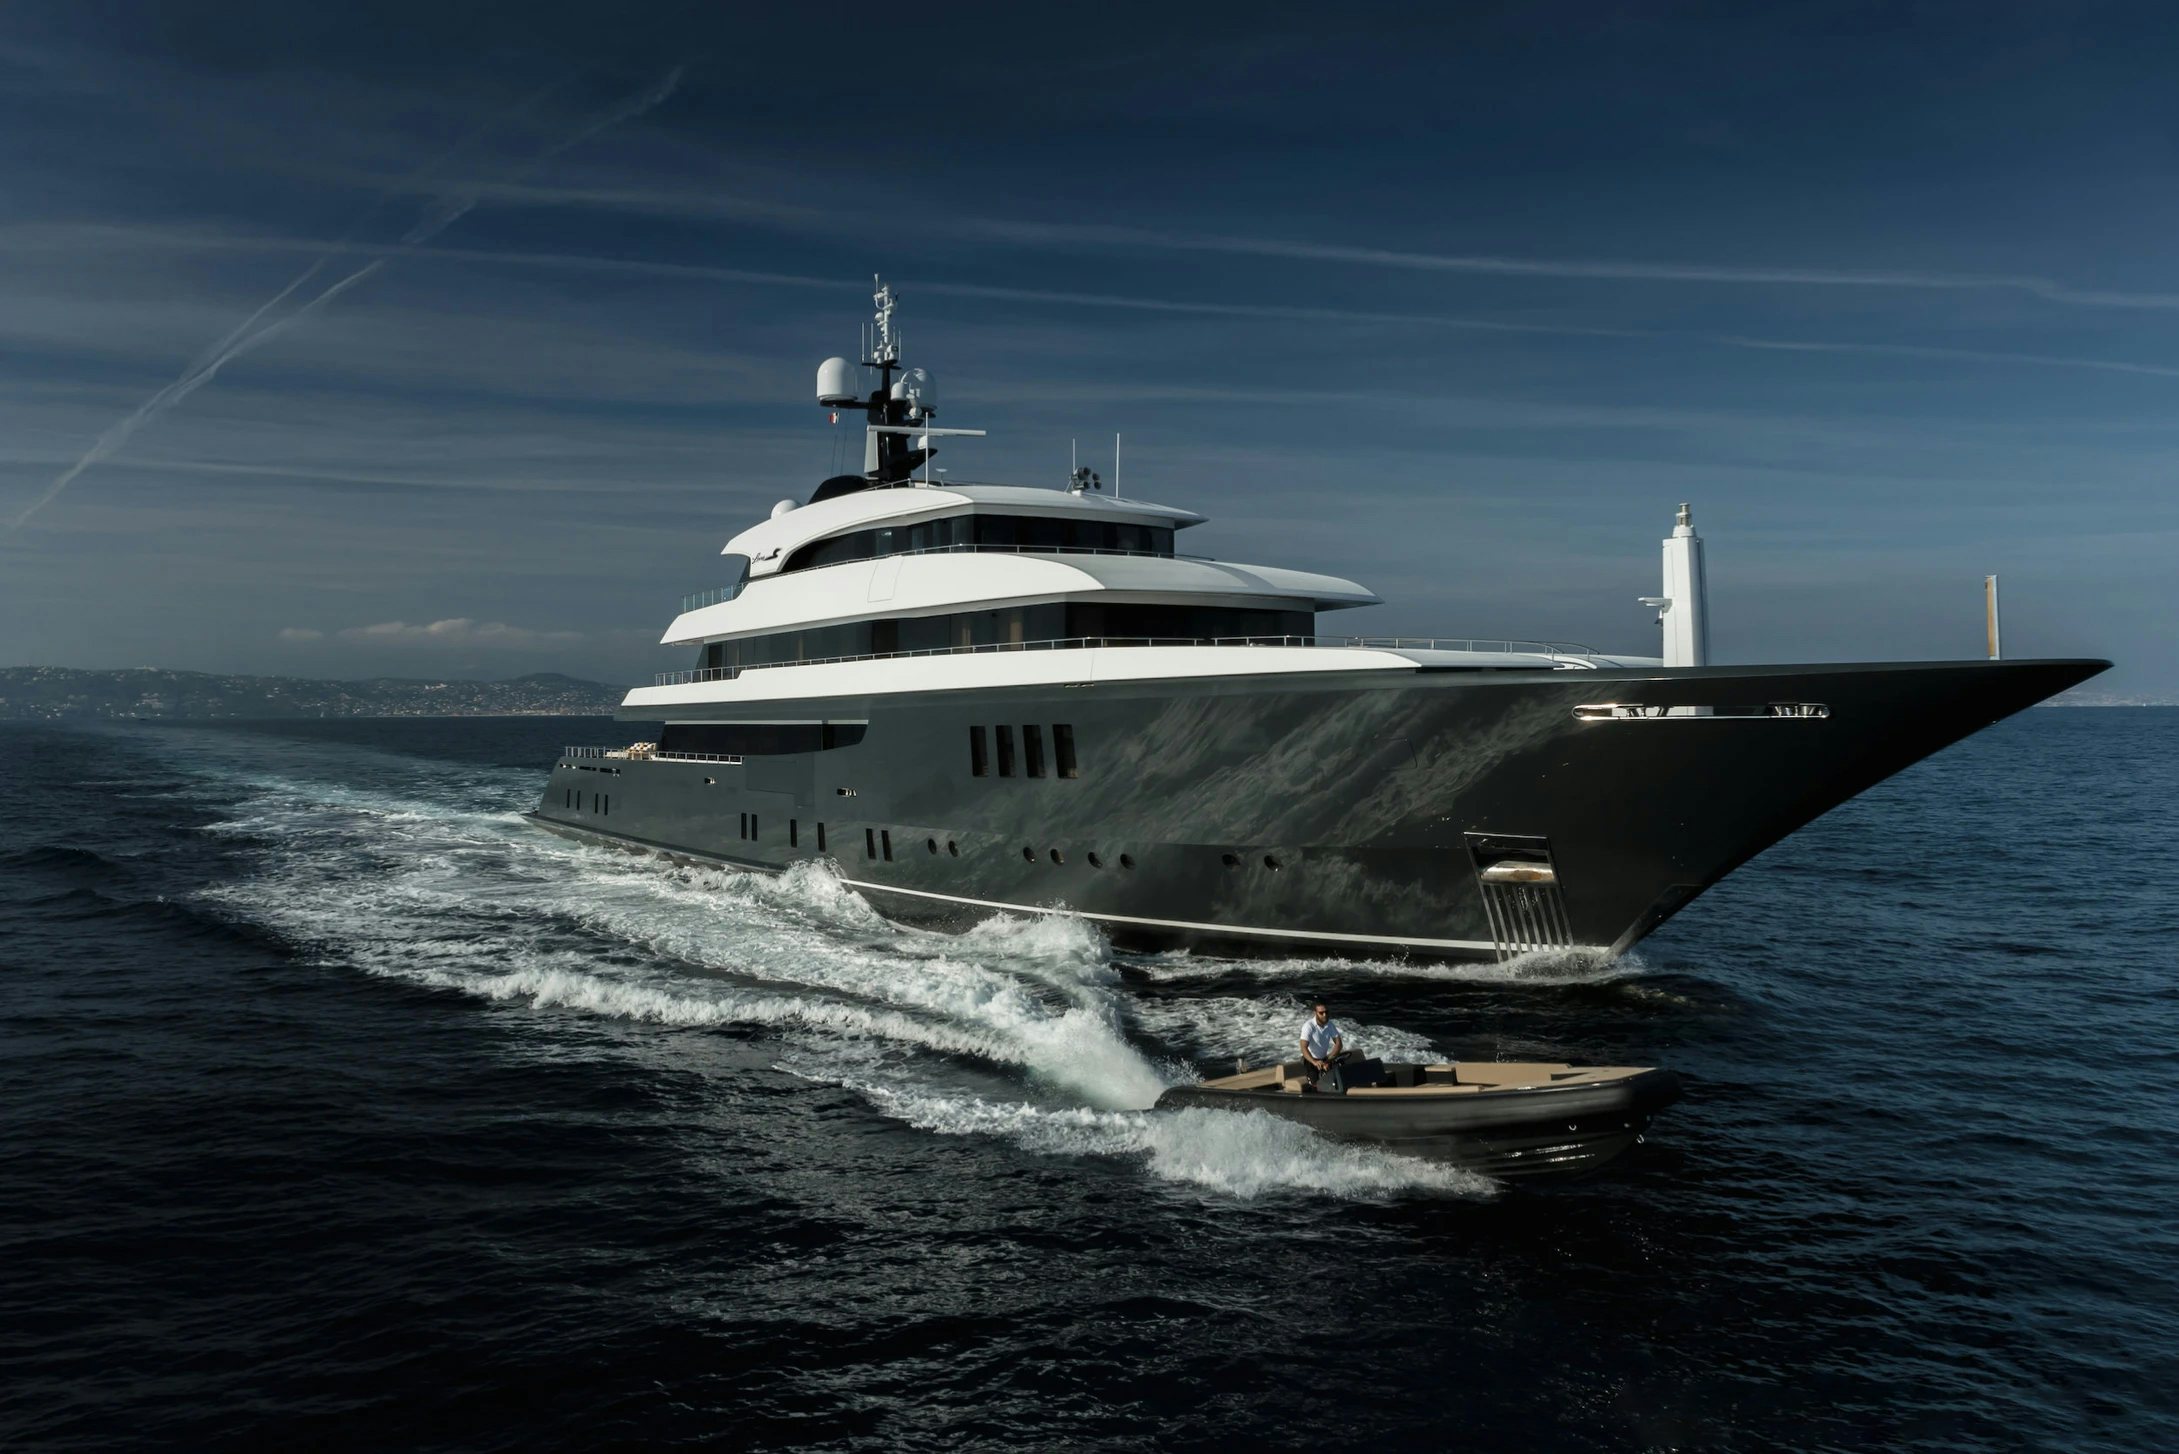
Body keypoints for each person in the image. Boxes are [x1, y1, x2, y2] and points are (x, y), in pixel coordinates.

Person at [1298, 1000, 1345, 1092]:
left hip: (1324, 1059)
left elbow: (1338, 1044)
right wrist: (1315, 1062)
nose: (1324, 1015)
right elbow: (1303, 1047)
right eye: (1321, 1013)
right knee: (1316, 1086)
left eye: (1326, 1012)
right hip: (1311, 1061)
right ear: (1315, 1013)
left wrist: (1328, 1060)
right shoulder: (1308, 1026)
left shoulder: (1330, 1025)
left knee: (1338, 1079)